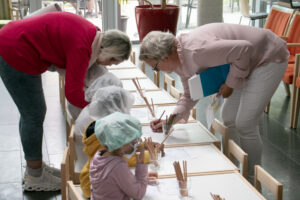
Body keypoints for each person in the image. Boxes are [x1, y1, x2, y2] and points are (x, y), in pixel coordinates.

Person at [139, 23, 289, 180]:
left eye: (155, 67)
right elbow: (190, 95)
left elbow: (245, 48)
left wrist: (230, 84)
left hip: (266, 55)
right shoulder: (179, 61)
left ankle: (252, 178)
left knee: (245, 123)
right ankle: (233, 170)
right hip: (242, 60)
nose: (157, 71)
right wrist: (170, 121)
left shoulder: (196, 52)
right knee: (229, 117)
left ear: (165, 57)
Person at [0, 12, 131, 191]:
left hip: (14, 38)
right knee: (33, 114)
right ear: (109, 51)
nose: (107, 65)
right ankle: (35, 176)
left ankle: (35, 167)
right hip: (15, 48)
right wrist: (98, 108)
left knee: (32, 112)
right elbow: (72, 94)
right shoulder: (82, 47)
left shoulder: (93, 35)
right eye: (111, 61)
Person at [90, 112, 155, 200]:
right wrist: (141, 165)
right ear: (121, 142)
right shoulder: (118, 166)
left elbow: (115, 179)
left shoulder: (98, 156)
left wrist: (138, 178)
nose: (136, 143)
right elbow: (139, 194)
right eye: (133, 140)